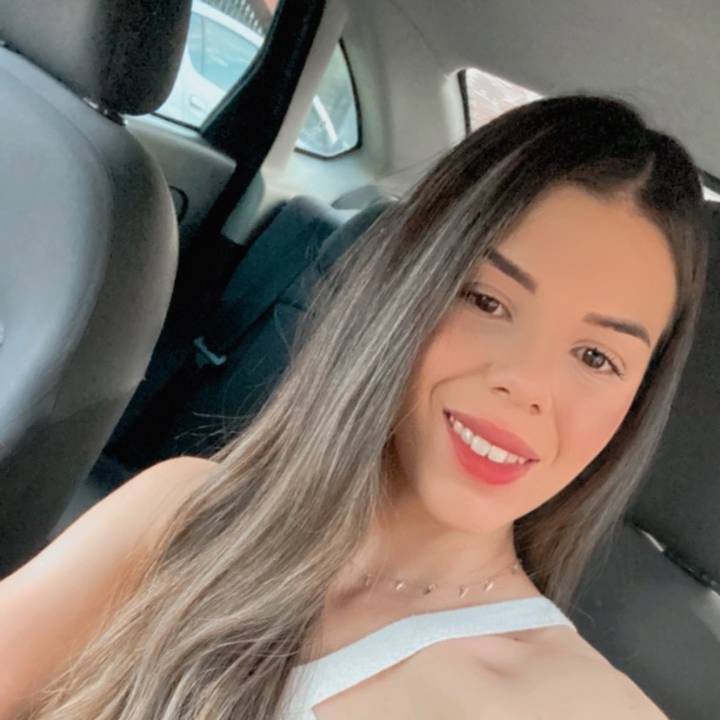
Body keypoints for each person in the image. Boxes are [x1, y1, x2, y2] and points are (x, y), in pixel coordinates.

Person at [4, 94, 708, 719]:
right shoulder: (184, 510)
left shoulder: (574, 701)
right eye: (487, 301)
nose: (526, 384)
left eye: (596, 358)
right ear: (408, 284)